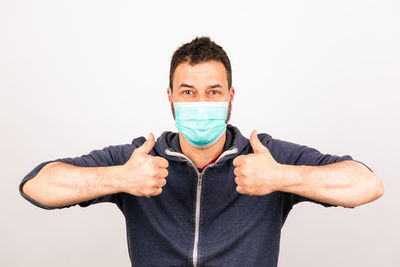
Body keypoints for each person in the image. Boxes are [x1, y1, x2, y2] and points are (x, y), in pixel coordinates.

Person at [19, 36, 384, 267]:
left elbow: (366, 185)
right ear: (171, 98)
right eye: (188, 92)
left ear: (230, 97)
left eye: (213, 91)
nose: (201, 102)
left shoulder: (264, 157)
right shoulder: (140, 159)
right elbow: (37, 186)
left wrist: (282, 177)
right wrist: (119, 178)